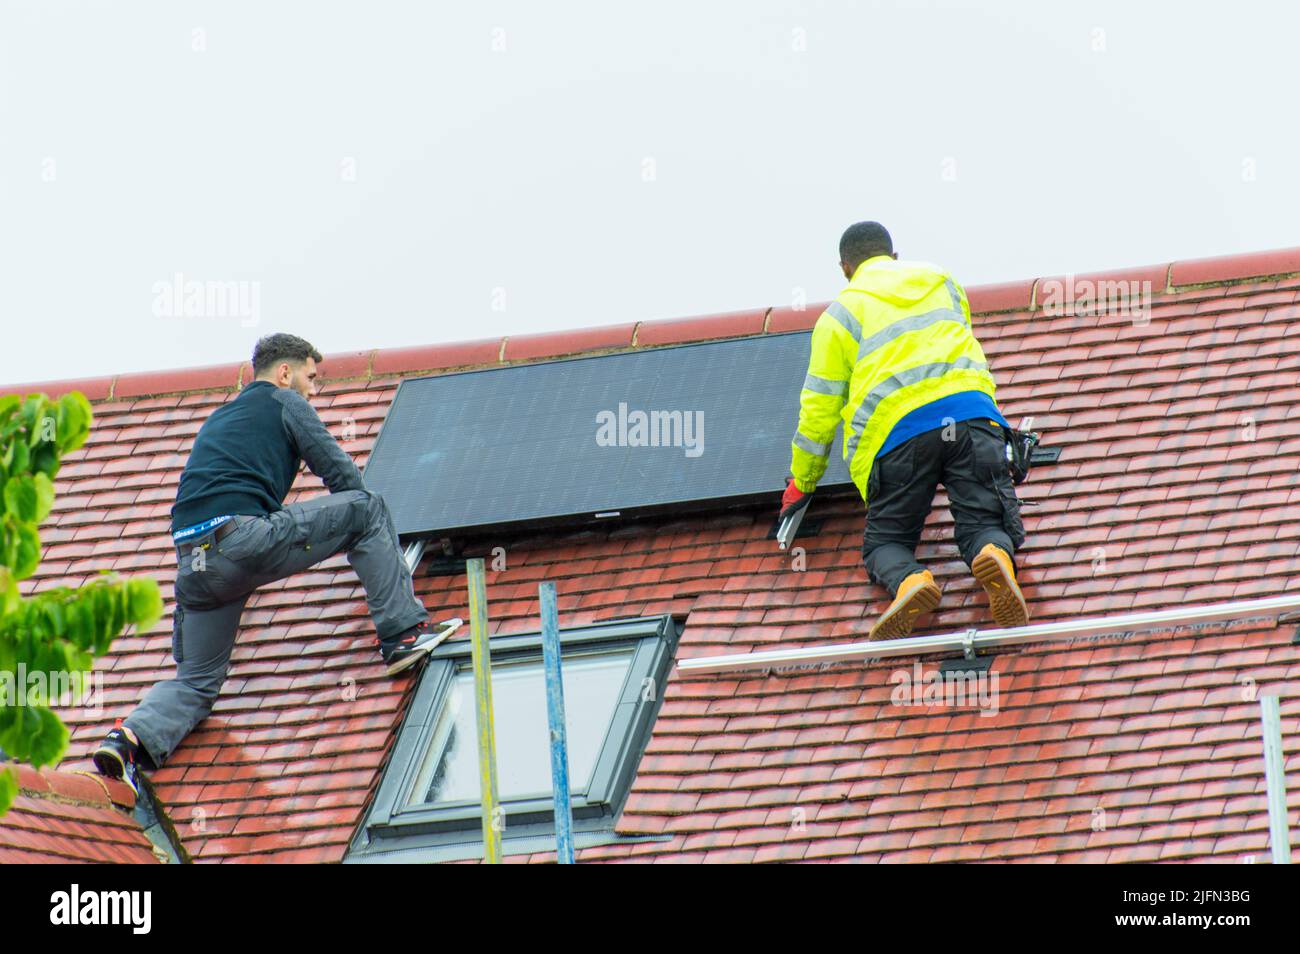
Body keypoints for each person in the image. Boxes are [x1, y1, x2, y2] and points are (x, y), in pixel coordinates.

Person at [93, 333, 448, 790]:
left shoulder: (219, 420)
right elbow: (344, 479)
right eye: (311, 378)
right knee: (370, 507)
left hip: (194, 566)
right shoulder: (286, 403)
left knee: (198, 682)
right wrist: (369, 534)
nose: (313, 391)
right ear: (285, 373)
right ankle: (404, 634)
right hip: (243, 542)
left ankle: (127, 740)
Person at [780, 222, 1028, 641]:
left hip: (899, 436)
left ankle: (911, 580)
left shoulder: (838, 316)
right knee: (985, 516)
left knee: (885, 542)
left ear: (846, 269)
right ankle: (992, 551)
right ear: (893, 256)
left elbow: (819, 409)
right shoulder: (940, 279)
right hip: (969, 415)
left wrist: (803, 481)